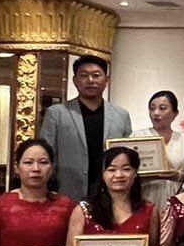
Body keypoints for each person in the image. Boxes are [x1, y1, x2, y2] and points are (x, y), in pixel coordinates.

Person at [38, 55, 133, 202]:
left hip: (111, 195)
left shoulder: (121, 115)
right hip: (67, 194)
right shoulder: (56, 114)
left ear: (106, 80)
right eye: (84, 75)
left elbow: (128, 156)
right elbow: (45, 155)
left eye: (96, 75)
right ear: (75, 81)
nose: (90, 80)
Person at [134, 90, 184, 216]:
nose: (156, 113)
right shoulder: (137, 137)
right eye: (152, 108)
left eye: (162, 108)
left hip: (177, 198)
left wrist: (177, 175)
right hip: (145, 196)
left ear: (175, 113)